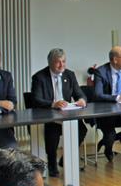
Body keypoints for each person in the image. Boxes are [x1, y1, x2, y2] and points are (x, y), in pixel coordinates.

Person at [30, 48, 88, 176]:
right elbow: (35, 99)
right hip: (49, 114)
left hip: (66, 114)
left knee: (82, 129)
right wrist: (53, 104)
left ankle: (65, 159)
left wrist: (81, 100)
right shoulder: (39, 77)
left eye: (64, 61)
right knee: (52, 133)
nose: (62, 65)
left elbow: (79, 93)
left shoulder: (69, 75)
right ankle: (52, 164)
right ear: (50, 63)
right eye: (58, 62)